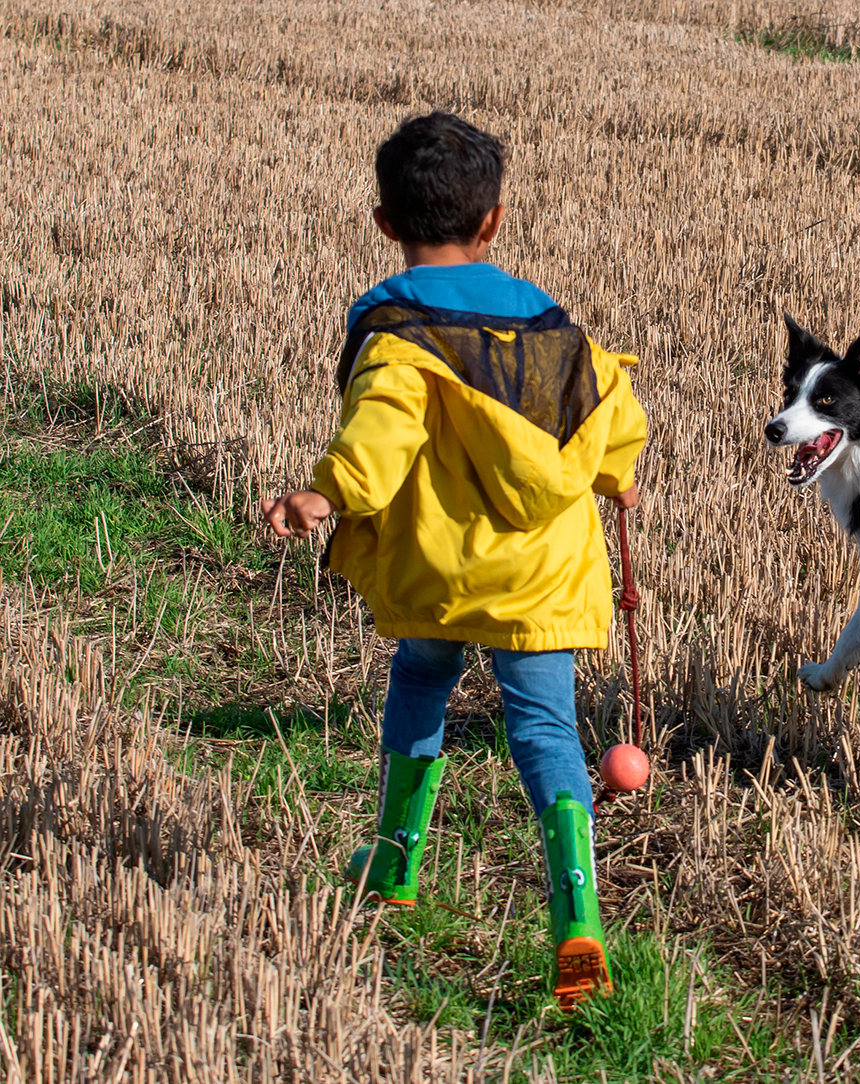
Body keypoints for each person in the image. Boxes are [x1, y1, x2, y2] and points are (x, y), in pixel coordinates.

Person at [260, 112, 646, 1009]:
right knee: (546, 733)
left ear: (385, 223)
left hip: (438, 569)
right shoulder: (558, 333)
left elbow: (380, 434)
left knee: (420, 679)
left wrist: (324, 496)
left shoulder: (397, 330)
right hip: (539, 579)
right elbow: (613, 417)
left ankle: (395, 859)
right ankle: (576, 911)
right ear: (496, 221)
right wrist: (617, 477)